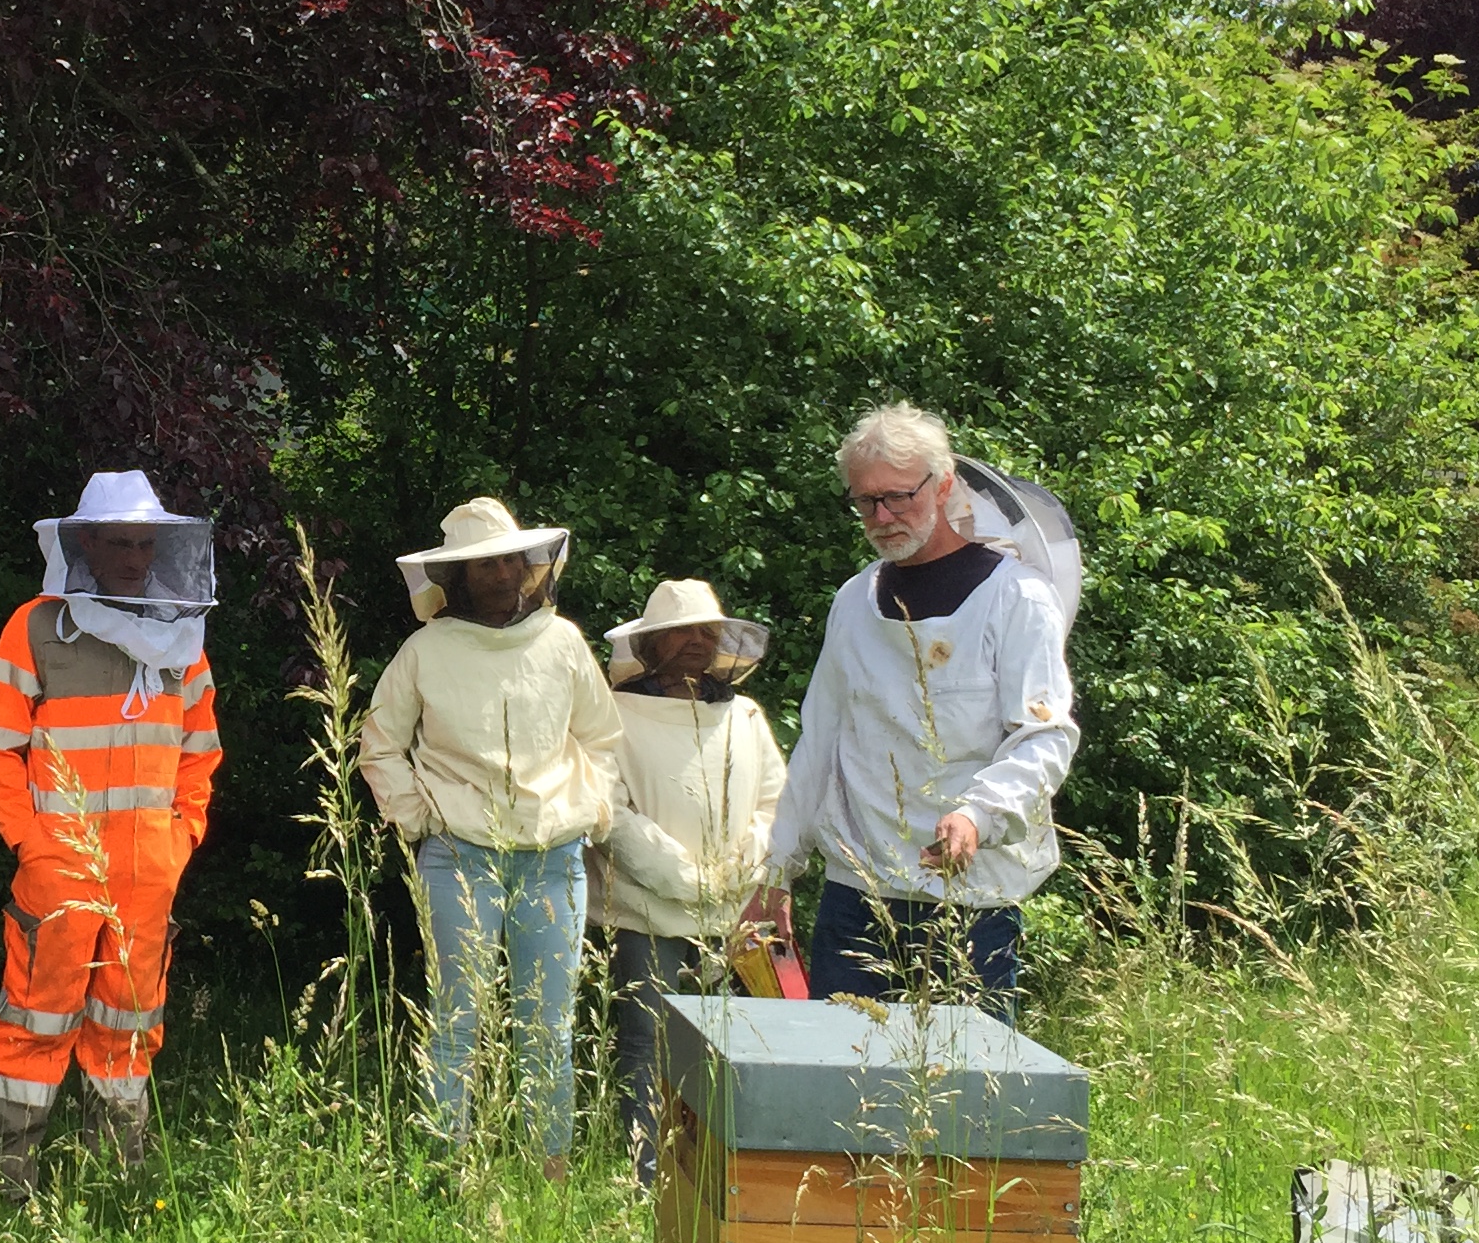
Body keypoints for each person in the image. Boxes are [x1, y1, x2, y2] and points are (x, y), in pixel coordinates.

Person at [747, 405, 1078, 1021]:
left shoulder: (1016, 597)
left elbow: (1044, 736)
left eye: (897, 497)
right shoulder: (854, 600)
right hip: (858, 896)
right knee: (845, 1097)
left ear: (944, 484)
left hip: (970, 898)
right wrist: (776, 872)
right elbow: (820, 741)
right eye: (866, 502)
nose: (882, 517)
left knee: (964, 1099)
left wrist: (978, 814)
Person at [0, 471, 223, 1199]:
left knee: (130, 1020)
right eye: (119, 541)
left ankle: (117, 1182)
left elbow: (200, 753)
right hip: (60, 864)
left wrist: (180, 838)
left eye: (146, 543)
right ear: (85, 542)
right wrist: (33, 846)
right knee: (35, 1016)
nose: (134, 556)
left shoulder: (180, 634)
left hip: (148, 867)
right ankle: (6, 1178)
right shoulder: (37, 626)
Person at [358, 498, 623, 1173]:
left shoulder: (562, 643)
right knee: (455, 1021)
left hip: (552, 857)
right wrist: (419, 819)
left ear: (528, 564)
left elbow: (601, 739)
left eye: (509, 558)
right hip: (457, 856)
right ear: (458, 575)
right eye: (484, 563)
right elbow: (380, 746)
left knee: (549, 1027)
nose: (502, 572)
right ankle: (447, 1169)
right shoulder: (425, 650)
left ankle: (550, 1169)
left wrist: (590, 808)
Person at [597, 580, 786, 1183]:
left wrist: (737, 872)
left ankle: (718, 1177)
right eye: (681, 631)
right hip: (641, 911)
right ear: (650, 645)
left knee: (731, 1050)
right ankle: (645, 1179)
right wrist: (686, 878)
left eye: (707, 631)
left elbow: (775, 803)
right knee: (644, 1046)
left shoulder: (746, 716)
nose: (696, 642)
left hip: (735, 915)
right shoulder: (614, 715)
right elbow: (611, 813)